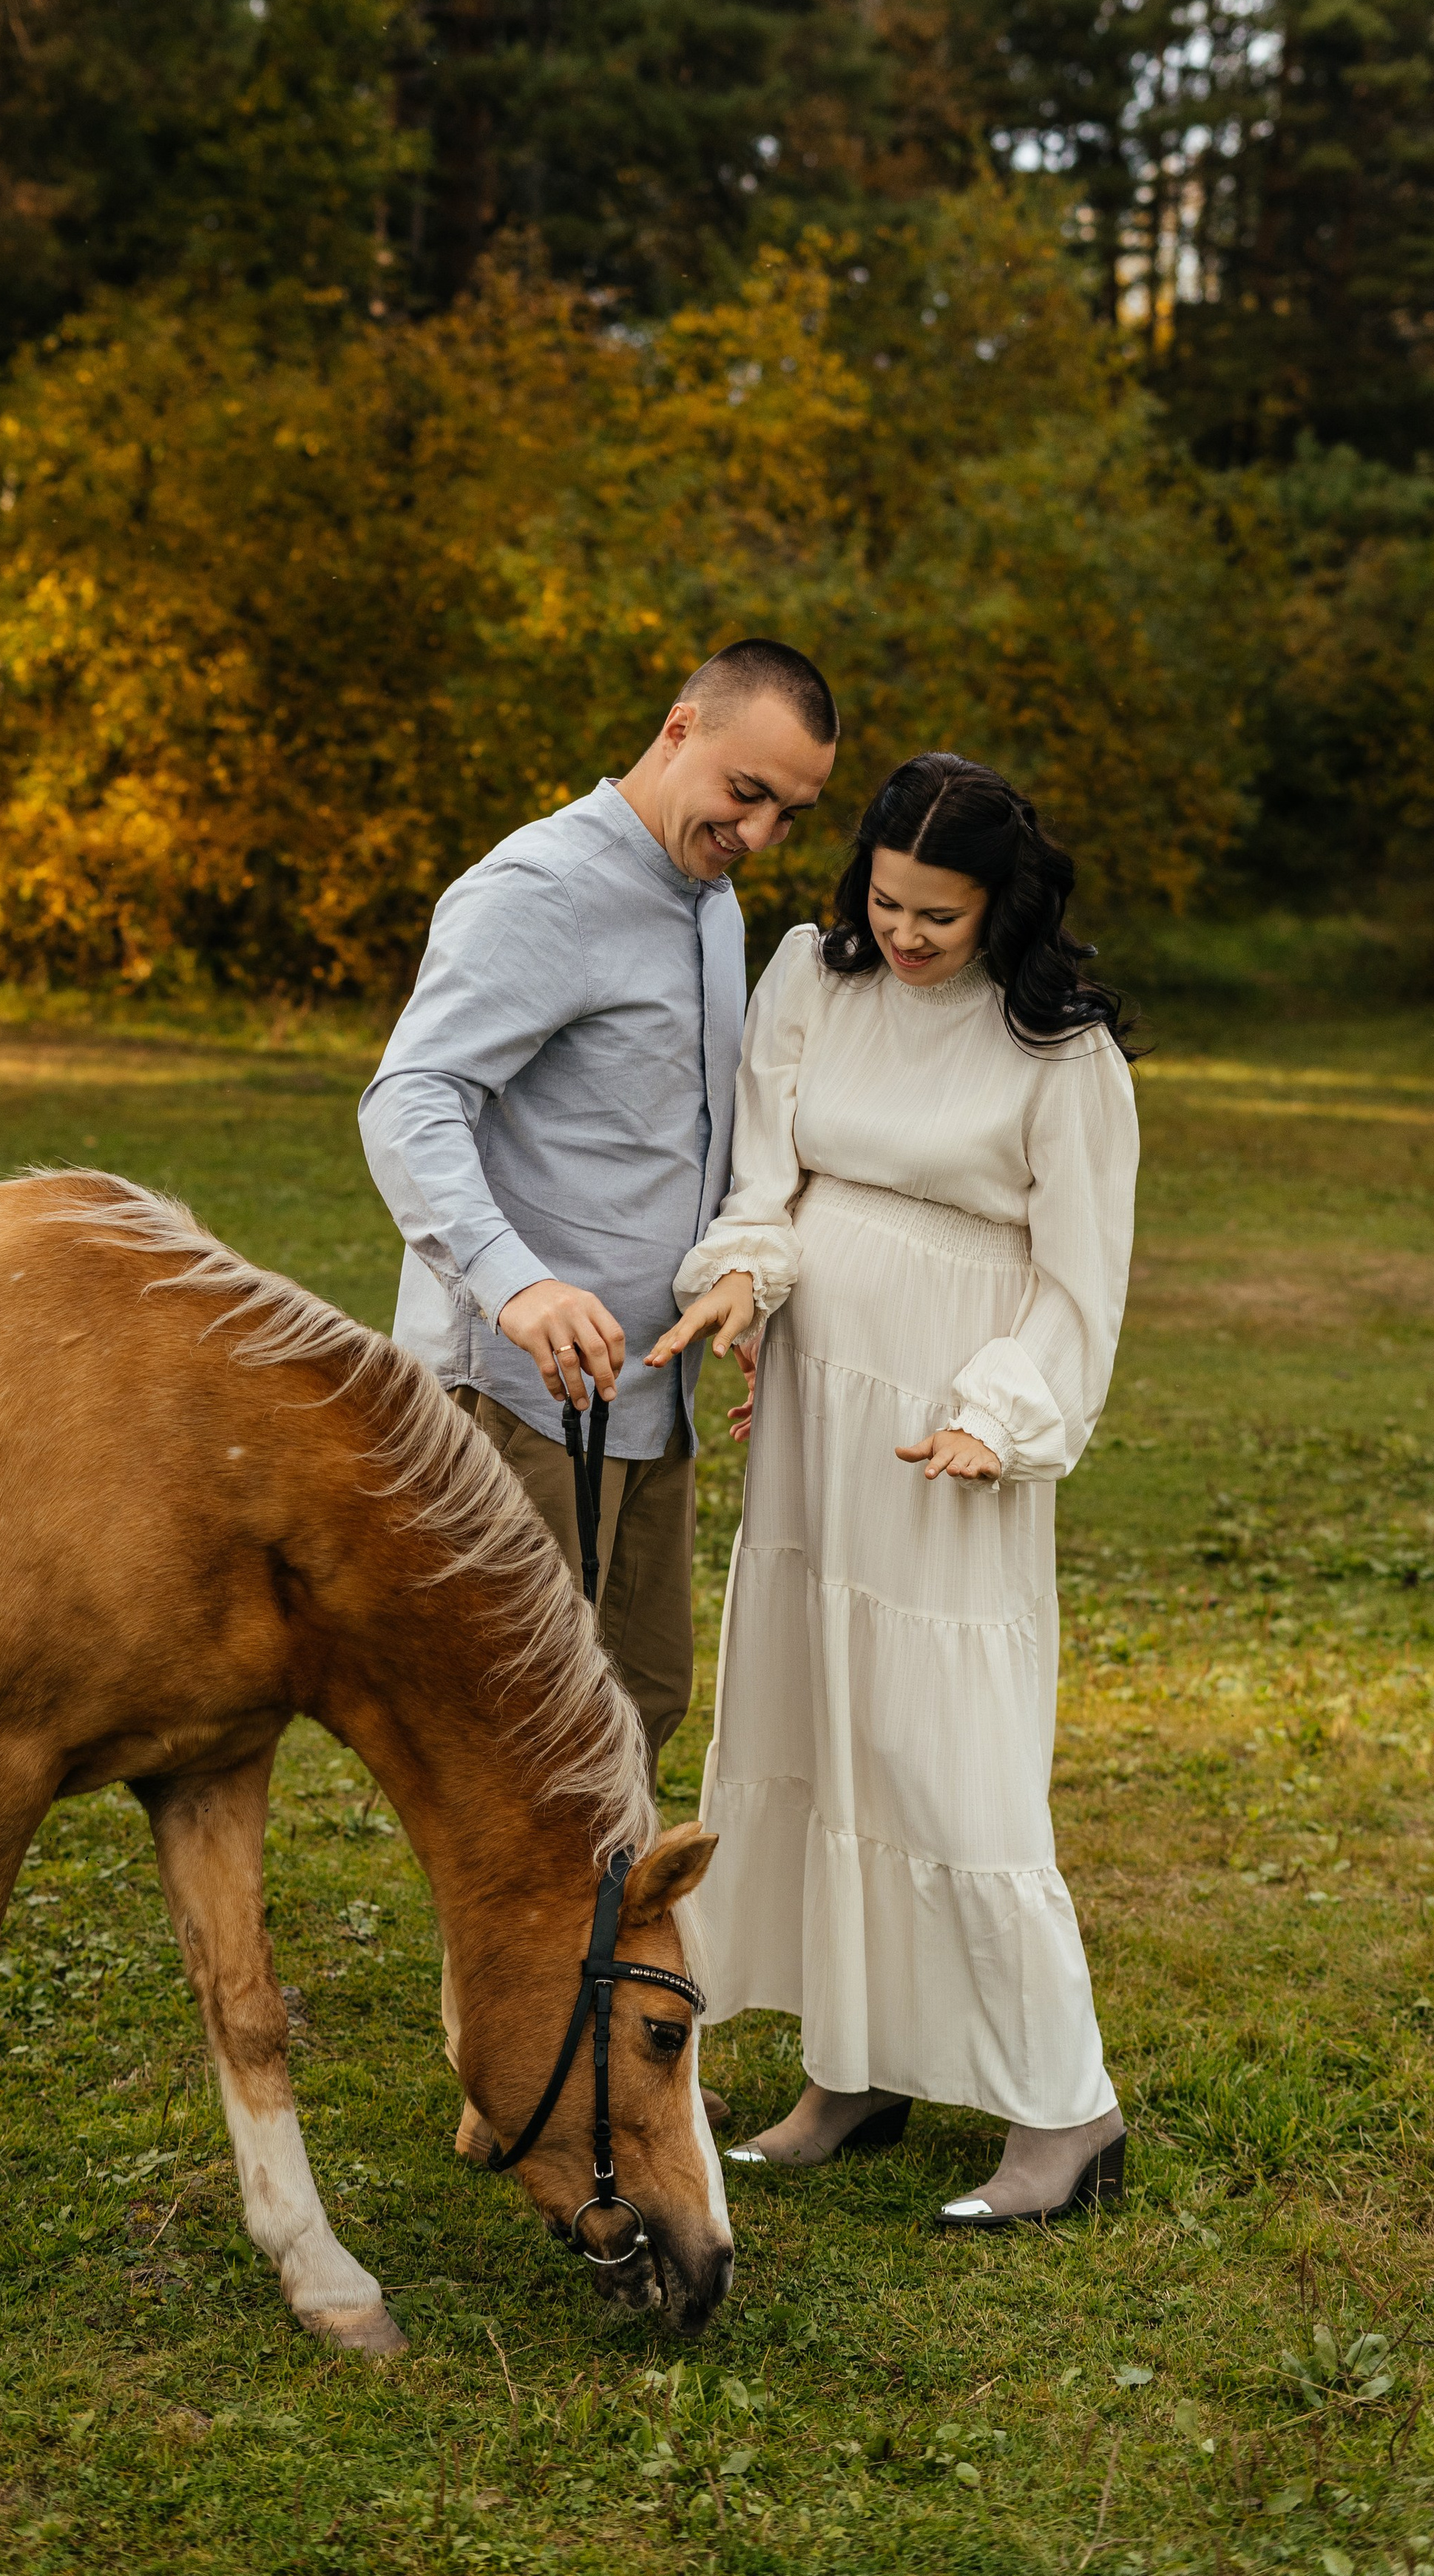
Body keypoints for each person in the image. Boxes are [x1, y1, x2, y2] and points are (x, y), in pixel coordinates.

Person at [646, 751, 1138, 2228]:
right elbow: (768, 1179)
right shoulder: (812, 975)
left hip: (946, 1418)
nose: (905, 935)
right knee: (818, 1722)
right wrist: (743, 1279)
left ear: (1002, 905)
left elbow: (1080, 1282)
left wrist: (1000, 1410)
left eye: (939, 914)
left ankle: (1067, 2113)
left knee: (940, 1754)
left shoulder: (1062, 1054)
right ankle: (851, 2072)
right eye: (887, 900)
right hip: (818, 1401)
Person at [359, 639, 839, 1791]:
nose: (760, 833)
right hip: (520, 1397)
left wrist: (739, 1284)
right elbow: (411, 1099)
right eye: (746, 793)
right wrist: (516, 1283)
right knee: (519, 1736)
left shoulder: (711, 899)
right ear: (679, 729)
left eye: (790, 814)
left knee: (640, 1700)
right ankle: (527, 1927)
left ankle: (601, 1916)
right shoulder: (543, 888)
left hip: (650, 1397)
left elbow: (685, 1138)